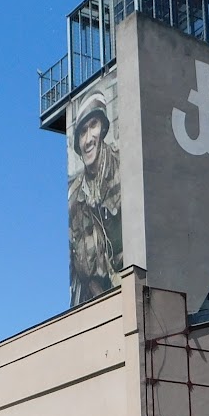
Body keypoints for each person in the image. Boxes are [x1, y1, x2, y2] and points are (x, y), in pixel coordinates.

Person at [67, 90, 122, 303]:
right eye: (82, 132)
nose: (88, 139)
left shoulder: (122, 168)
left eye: (93, 126)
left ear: (103, 128)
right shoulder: (74, 198)